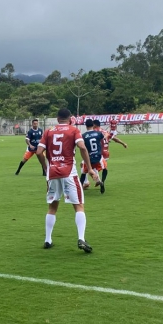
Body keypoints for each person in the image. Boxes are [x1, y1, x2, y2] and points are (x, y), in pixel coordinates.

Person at [36, 108, 98, 253]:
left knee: (52, 206)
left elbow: (39, 151)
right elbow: (82, 147)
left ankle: (48, 239)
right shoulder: (73, 130)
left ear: (57, 119)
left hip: (52, 173)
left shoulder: (48, 131)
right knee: (78, 206)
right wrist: (89, 168)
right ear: (70, 119)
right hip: (69, 172)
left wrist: (46, 167)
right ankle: (81, 238)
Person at [79, 119, 107, 194]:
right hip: (98, 156)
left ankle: (80, 189)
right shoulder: (98, 133)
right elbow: (104, 139)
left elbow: (81, 147)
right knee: (105, 168)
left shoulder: (83, 136)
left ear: (86, 126)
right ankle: (102, 182)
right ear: (93, 125)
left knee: (83, 173)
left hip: (88, 158)